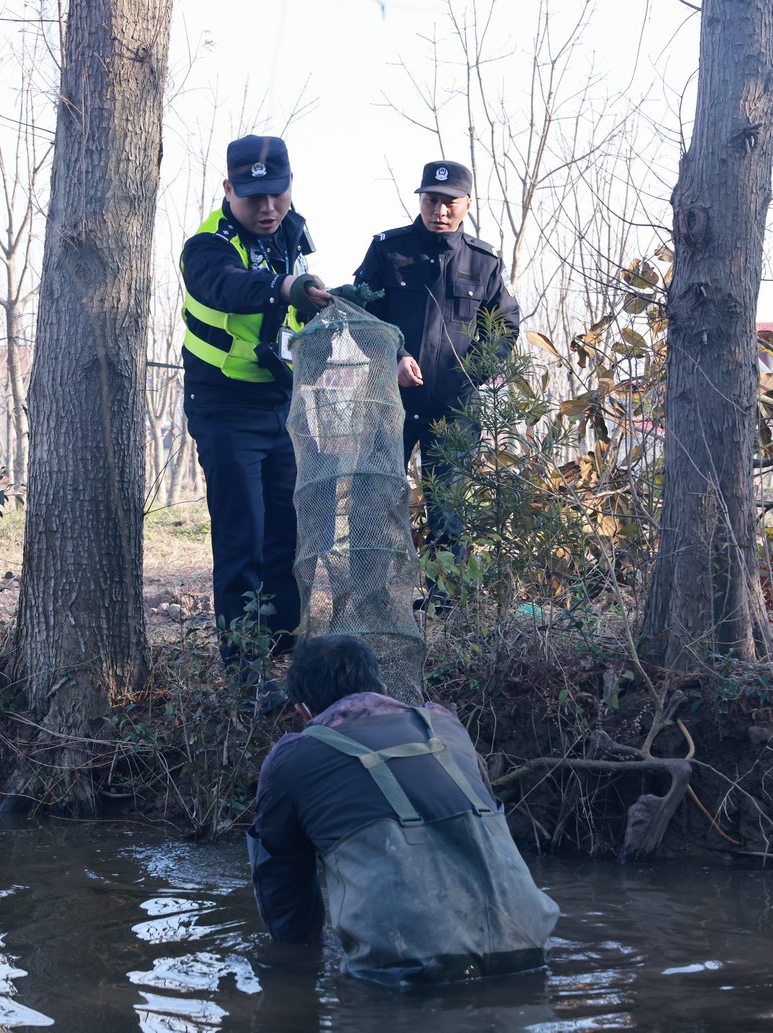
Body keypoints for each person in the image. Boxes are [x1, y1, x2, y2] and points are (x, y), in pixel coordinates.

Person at [247, 634, 560, 984]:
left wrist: (297, 967)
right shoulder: (444, 726)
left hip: (404, 971)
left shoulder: (291, 760)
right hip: (529, 944)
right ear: (381, 687)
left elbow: (282, 891)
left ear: (302, 711)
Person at [181, 135, 330, 675]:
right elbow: (227, 287)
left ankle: (284, 651)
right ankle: (243, 665)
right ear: (228, 189)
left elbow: (299, 318)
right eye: (252, 197)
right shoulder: (208, 245)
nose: (267, 208)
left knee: (287, 532)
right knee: (242, 533)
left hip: (280, 403)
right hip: (225, 407)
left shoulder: (292, 232)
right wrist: (286, 286)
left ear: (290, 187)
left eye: (276, 194)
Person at [353, 161, 520, 594]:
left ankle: (444, 605)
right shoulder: (388, 250)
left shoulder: (483, 263)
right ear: (420, 200)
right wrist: (394, 355)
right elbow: (360, 313)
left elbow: (504, 326)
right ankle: (372, 600)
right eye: (431, 199)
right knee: (373, 500)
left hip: (454, 405)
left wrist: (477, 372)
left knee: (448, 508)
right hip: (388, 402)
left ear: (466, 204)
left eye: (449, 202)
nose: (439, 210)